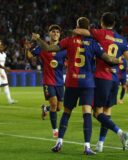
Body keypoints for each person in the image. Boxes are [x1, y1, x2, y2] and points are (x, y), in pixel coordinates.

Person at [32, 17, 122, 155]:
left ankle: (59, 142)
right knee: (86, 113)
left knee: (66, 112)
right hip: (88, 83)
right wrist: (118, 61)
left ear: (77, 26)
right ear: (88, 27)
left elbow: (49, 48)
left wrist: (38, 39)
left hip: (72, 82)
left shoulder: (69, 40)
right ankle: (87, 146)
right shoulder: (93, 43)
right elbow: (108, 59)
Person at [74, 12, 128, 152]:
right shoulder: (122, 39)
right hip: (114, 80)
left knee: (97, 113)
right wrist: (118, 68)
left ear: (102, 22)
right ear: (114, 24)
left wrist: (74, 29)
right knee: (107, 111)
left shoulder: (99, 33)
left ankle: (120, 132)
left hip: (101, 77)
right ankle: (100, 144)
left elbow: (82, 31)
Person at [27, 24, 67, 137]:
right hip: (48, 80)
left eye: (57, 32)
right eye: (53, 31)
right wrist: (28, 47)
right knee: (54, 104)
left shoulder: (64, 48)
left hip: (59, 81)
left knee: (59, 107)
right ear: (49, 34)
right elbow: (30, 56)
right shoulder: (42, 47)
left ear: (60, 35)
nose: (55, 33)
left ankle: (46, 108)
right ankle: (55, 130)